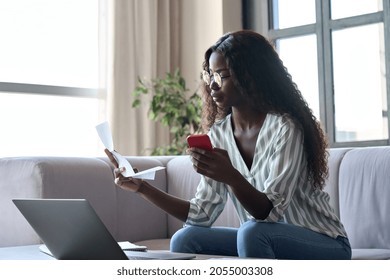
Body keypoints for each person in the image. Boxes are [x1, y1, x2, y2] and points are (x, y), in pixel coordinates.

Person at [105, 30, 351, 259]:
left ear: (251, 76)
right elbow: (201, 214)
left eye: (222, 76)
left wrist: (231, 176)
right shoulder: (220, 134)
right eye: (210, 75)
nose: (212, 84)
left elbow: (270, 213)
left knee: (252, 232)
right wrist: (142, 188)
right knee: (185, 238)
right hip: (263, 236)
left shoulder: (286, 128)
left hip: (325, 241)